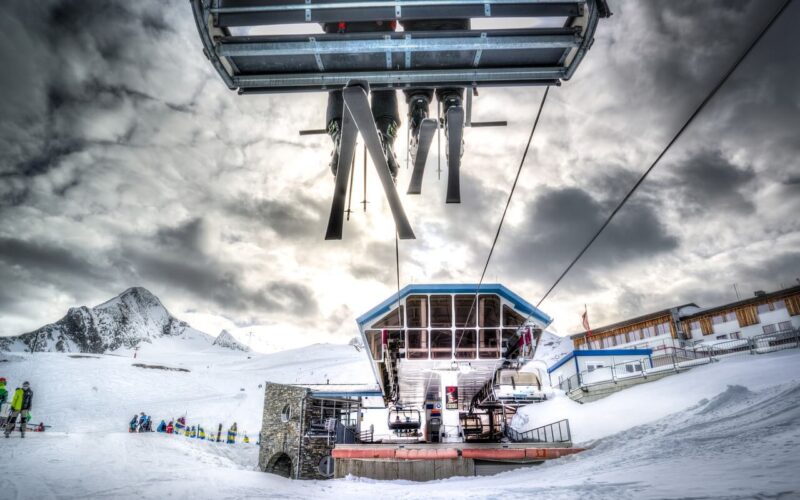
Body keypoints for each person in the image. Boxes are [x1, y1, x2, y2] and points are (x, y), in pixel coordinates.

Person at [322, 21, 401, 180]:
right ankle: (386, 133)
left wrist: (330, 23)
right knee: (385, 78)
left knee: (336, 80)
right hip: (380, 34)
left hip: (339, 35)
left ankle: (338, 132)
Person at [399, 19, 469, 163]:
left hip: (416, 28)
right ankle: (452, 104)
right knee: (453, 49)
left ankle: (419, 110)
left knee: (416, 49)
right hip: (455, 26)